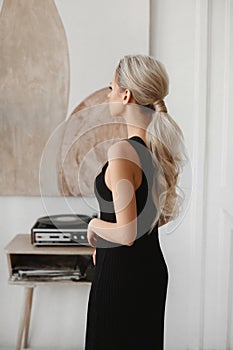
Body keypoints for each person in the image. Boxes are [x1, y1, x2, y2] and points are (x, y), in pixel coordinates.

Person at [85, 54, 186, 350]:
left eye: (111, 87)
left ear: (126, 95)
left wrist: (93, 227)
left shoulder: (122, 153)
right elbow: (155, 218)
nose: (108, 93)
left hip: (122, 277)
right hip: (149, 270)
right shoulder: (157, 151)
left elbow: (127, 233)